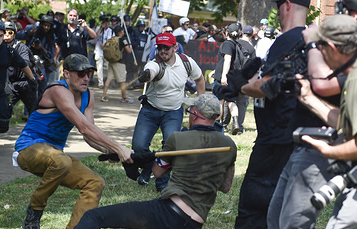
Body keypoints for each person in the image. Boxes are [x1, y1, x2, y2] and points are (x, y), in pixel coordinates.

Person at [15, 93, 237, 229]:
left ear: (196, 114)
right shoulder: (229, 145)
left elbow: (158, 173)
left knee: (95, 216)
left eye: (191, 111)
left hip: (169, 214)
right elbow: (226, 187)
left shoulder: (177, 139)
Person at [212, 0, 310, 229]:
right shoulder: (307, 41)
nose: (276, 13)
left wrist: (236, 87)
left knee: (254, 197)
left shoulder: (289, 39)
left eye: (278, 7)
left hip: (276, 136)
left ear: (288, 5)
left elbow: (266, 86)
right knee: (287, 204)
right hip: (292, 134)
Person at [14, 53, 133, 229]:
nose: (86, 78)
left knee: (94, 183)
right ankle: (35, 209)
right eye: (81, 73)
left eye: (89, 73)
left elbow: (89, 135)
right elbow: (84, 128)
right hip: (29, 149)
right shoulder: (59, 90)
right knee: (61, 161)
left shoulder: (88, 96)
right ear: (66, 74)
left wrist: (111, 151)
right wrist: (119, 146)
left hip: (55, 155)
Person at [297, 14, 357, 229]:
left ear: (333, 47)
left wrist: (329, 150)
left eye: (321, 48)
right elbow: (353, 121)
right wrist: (308, 98)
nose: (320, 54)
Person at [132, 32, 205, 192]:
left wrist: (200, 103)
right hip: (150, 110)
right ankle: (149, 167)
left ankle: (162, 184)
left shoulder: (186, 62)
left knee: (169, 147)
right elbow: (151, 71)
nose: (163, 51)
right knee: (138, 146)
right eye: (160, 48)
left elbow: (199, 79)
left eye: (166, 48)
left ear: (175, 47)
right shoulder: (154, 63)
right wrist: (145, 76)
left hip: (173, 112)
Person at [211, 22, 254, 135]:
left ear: (226, 33)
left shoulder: (227, 44)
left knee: (219, 102)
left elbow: (228, 60)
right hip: (231, 77)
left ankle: (216, 126)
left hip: (223, 78)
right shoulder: (237, 45)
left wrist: (223, 75)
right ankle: (235, 123)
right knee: (231, 101)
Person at [4, 21, 40, 118]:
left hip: (26, 84)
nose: (7, 35)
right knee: (4, 114)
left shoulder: (21, 47)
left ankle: (38, 132)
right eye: (4, 32)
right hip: (10, 85)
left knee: (34, 114)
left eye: (10, 32)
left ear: (14, 35)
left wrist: (13, 56)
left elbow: (25, 63)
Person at [101, 25, 133, 103]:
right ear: (121, 32)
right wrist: (130, 46)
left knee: (109, 78)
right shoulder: (123, 40)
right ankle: (124, 97)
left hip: (111, 62)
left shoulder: (112, 40)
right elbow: (129, 51)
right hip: (120, 62)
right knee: (122, 81)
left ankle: (104, 96)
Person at [30, 15, 57, 88]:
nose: (46, 28)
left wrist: (41, 48)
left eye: (48, 26)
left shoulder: (52, 37)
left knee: (43, 88)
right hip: (33, 64)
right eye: (45, 25)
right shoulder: (35, 33)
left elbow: (51, 55)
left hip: (45, 65)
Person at [93, 15, 113, 89]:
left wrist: (105, 45)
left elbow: (110, 40)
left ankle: (105, 80)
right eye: (105, 22)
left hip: (106, 51)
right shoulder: (99, 29)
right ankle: (100, 82)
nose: (107, 24)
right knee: (99, 67)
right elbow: (95, 36)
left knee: (106, 67)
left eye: (108, 23)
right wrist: (101, 28)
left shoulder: (110, 31)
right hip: (99, 50)